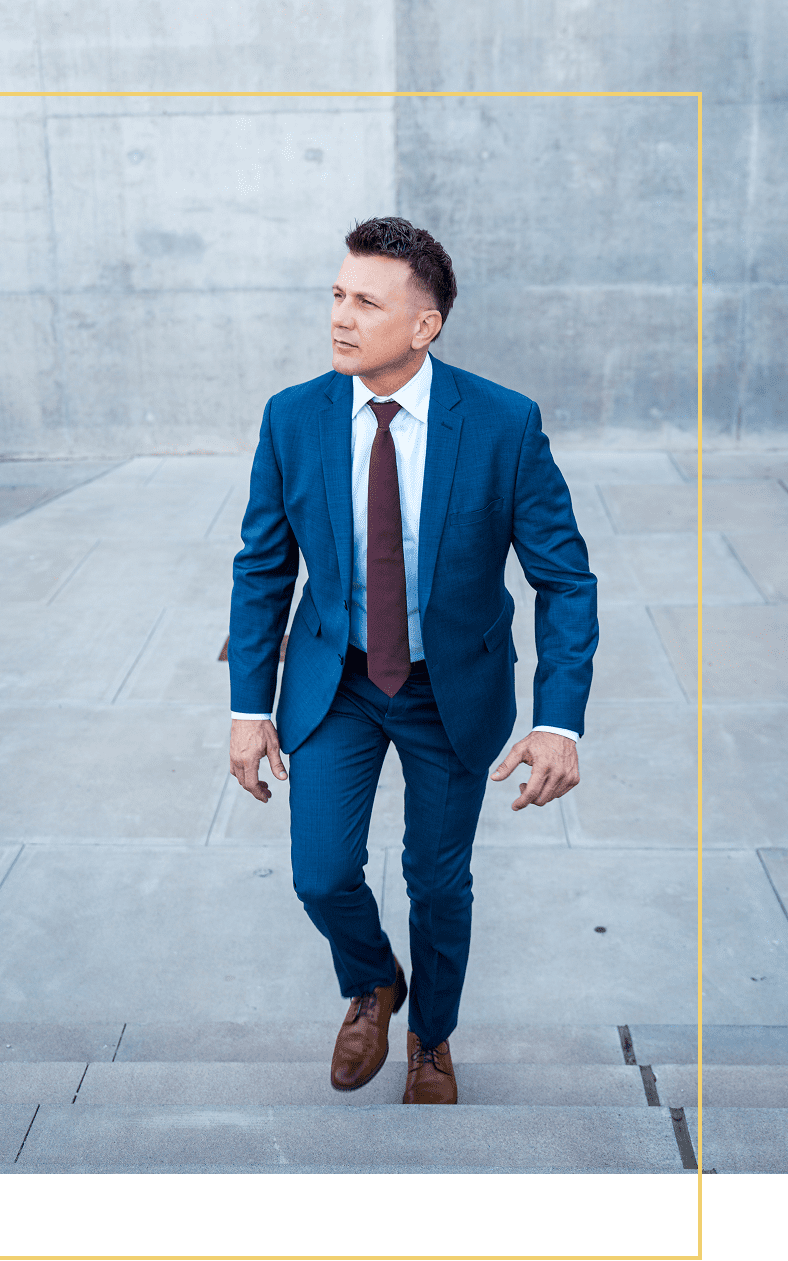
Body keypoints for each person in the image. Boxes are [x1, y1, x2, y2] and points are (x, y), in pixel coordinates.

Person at [228, 217, 598, 1104]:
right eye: (337, 295)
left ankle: (431, 1037)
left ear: (424, 325)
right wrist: (248, 706)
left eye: (366, 301)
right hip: (338, 680)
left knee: (438, 880)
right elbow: (263, 568)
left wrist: (557, 720)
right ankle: (372, 981)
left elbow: (566, 578)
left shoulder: (504, 424)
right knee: (320, 871)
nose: (341, 318)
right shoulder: (293, 417)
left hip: (449, 689)